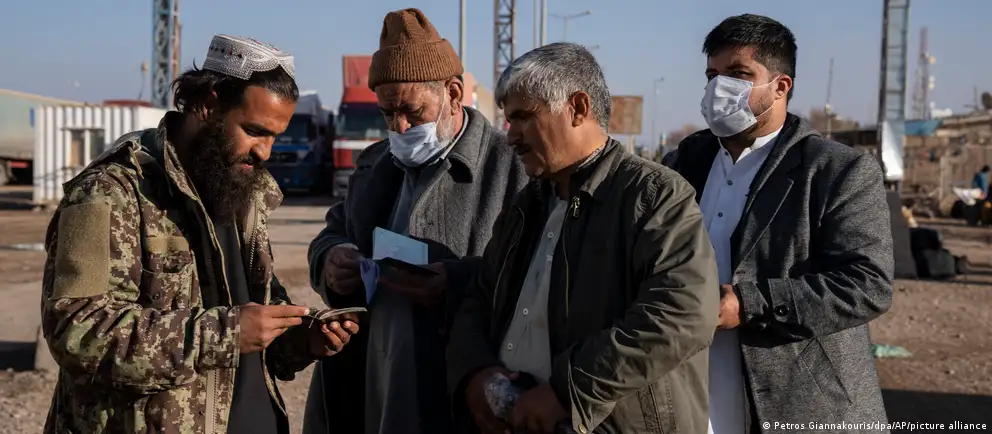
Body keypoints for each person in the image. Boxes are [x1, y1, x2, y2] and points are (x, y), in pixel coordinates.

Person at [40, 35, 359, 434]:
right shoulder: (111, 193)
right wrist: (226, 334)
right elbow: (77, 332)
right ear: (208, 106)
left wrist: (301, 339)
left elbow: (252, 314)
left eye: (274, 136)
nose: (265, 151)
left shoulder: (238, 190)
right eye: (255, 130)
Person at [446, 42, 720, 434]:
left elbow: (683, 313)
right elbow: (480, 296)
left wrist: (567, 391)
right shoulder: (527, 204)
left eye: (523, 117)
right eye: (508, 120)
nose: (511, 137)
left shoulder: (654, 195)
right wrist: (476, 373)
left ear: (577, 108)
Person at [663, 14, 894, 434]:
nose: (719, 88)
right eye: (712, 75)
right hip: (693, 397)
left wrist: (747, 305)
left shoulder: (836, 171)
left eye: (738, 74)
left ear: (780, 86)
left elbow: (867, 285)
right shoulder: (683, 164)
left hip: (797, 405)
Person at [303, 8, 528, 434]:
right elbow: (332, 233)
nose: (399, 126)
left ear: (454, 94)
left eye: (412, 111)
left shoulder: (509, 168)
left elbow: (534, 272)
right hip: (371, 375)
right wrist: (332, 258)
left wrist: (456, 282)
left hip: (453, 384)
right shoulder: (375, 165)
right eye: (387, 114)